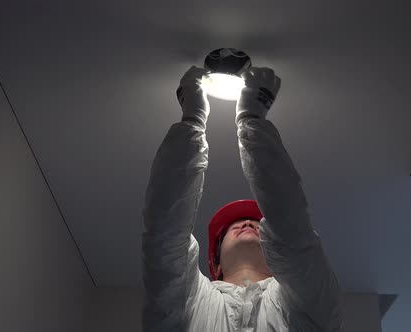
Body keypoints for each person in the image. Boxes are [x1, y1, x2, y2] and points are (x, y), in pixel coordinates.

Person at [142, 65, 343, 331]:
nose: (248, 223)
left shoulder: (311, 300)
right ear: (214, 261)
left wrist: (251, 120)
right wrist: (190, 123)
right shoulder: (187, 303)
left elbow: (293, 235)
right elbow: (165, 239)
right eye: (236, 224)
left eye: (258, 223)